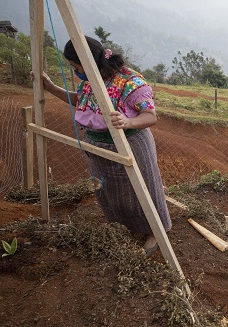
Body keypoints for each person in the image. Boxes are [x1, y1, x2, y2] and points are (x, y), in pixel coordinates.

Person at [33, 36, 171, 256]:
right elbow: (81, 100)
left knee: (143, 189)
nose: (75, 70)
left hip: (131, 144)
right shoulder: (91, 80)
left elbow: (150, 115)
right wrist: (50, 88)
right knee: (110, 191)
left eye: (75, 66)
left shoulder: (130, 81)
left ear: (87, 62)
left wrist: (128, 122)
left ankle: (155, 231)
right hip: (99, 148)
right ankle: (124, 225)